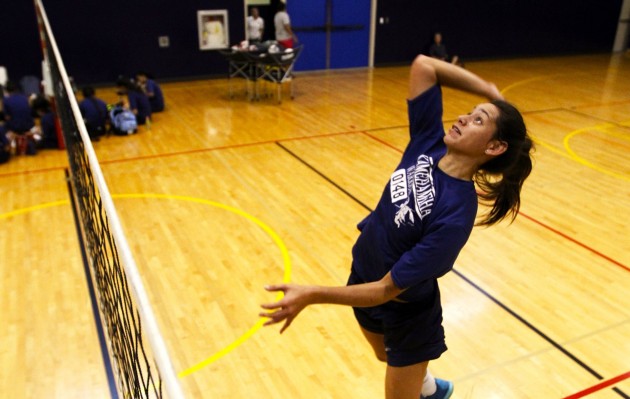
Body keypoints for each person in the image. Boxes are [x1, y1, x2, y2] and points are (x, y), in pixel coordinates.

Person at [260, 55, 534, 399]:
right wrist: (489, 90)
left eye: (478, 119)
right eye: (470, 110)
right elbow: (424, 66)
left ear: (494, 147)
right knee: (381, 354)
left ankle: (425, 386)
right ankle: (430, 387)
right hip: (361, 276)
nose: (463, 117)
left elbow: (386, 289)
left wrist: (313, 294)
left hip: (407, 314)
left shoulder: (456, 216)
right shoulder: (428, 142)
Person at [2, 81, 37, 155]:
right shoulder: (25, 97)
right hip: (29, 125)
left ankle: (6, 148)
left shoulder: (6, 101)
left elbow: (7, 117)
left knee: (2, 128)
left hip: (16, 127)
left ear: (6, 90)